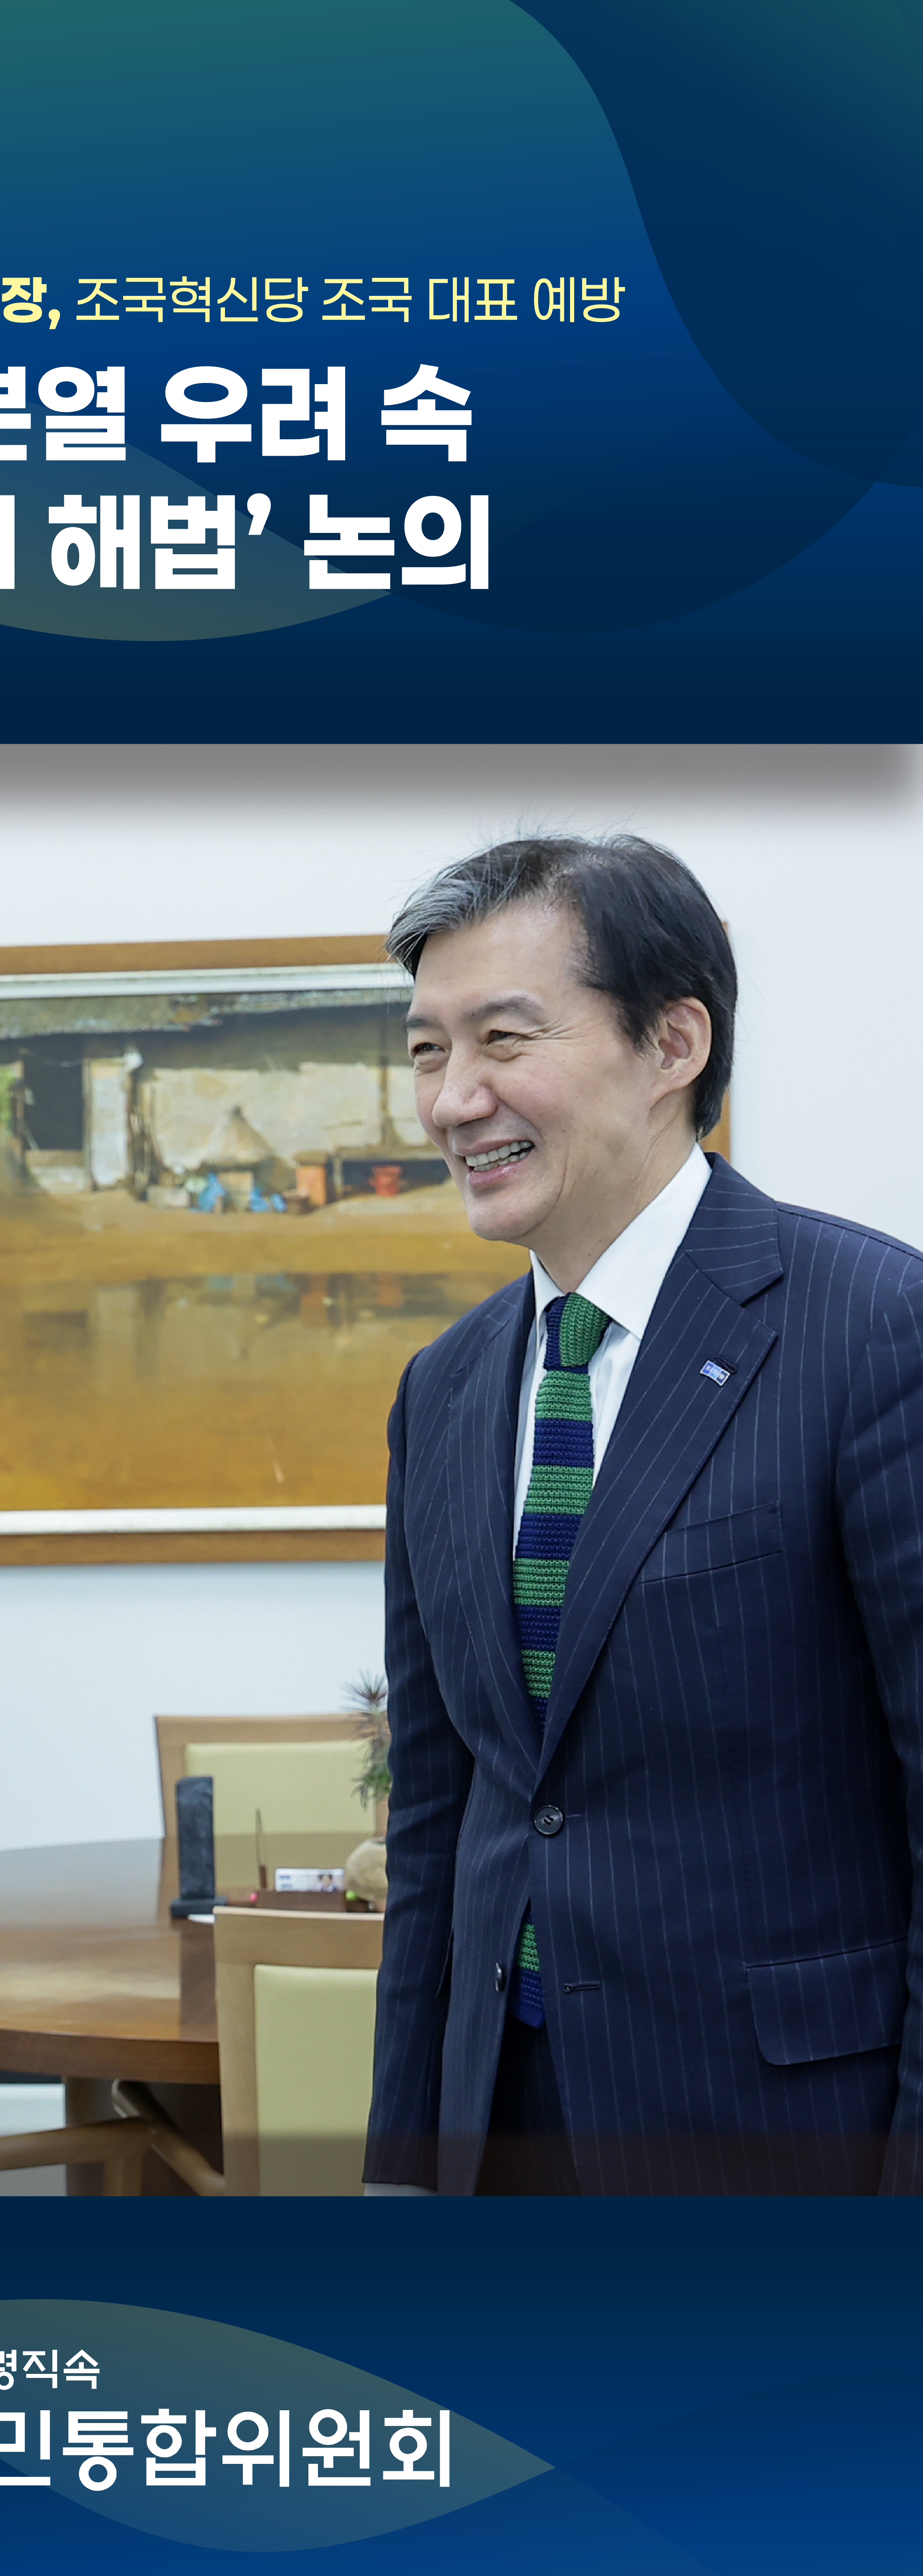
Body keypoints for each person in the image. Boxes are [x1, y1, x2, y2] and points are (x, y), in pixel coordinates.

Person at [363, 834, 922, 2197]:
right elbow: (443, 1818)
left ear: (672, 1043)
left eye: (503, 1037)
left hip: (784, 2141)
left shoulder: (872, 1331)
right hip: (500, 2130)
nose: (452, 1100)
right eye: (428, 1049)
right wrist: (395, 2168)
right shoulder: (440, 1393)